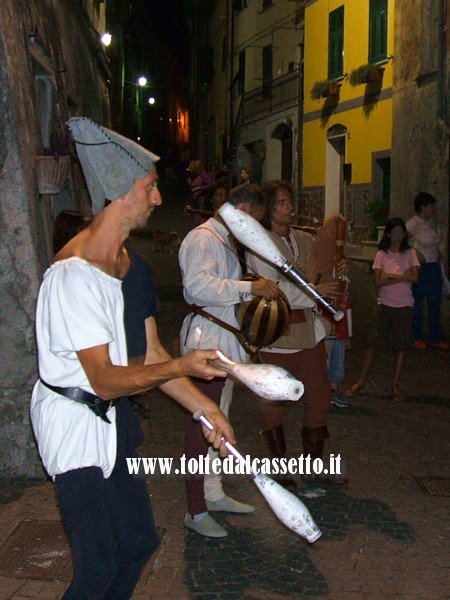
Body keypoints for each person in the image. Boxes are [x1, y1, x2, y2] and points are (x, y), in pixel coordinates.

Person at [30, 117, 235, 599]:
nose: (159, 198)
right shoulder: (72, 277)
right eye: (151, 188)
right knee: (97, 564)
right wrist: (184, 367)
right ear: (123, 192)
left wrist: (207, 409)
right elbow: (102, 379)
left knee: (140, 542)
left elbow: (151, 355)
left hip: (112, 419)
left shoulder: (132, 267)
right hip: (73, 426)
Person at [179, 183, 280, 537]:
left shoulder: (221, 240)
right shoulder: (203, 238)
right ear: (243, 211)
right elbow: (197, 287)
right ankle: (194, 510)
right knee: (200, 426)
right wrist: (249, 288)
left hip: (221, 339)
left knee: (216, 422)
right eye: (253, 220)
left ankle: (212, 493)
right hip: (206, 341)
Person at [246, 180, 348, 486]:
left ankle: (313, 467)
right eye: (281, 203)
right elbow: (273, 289)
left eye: (289, 201)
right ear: (267, 209)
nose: (289, 207)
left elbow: (320, 270)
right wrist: (315, 292)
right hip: (279, 331)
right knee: (273, 401)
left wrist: (337, 270)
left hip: (310, 332)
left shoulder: (304, 238)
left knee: (319, 398)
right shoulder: (258, 244)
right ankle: (278, 466)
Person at [344, 217, 420, 401]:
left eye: (401, 232)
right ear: (388, 234)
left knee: (401, 346)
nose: (397, 236)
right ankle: (361, 381)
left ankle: (395, 385)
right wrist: (403, 276)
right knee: (371, 343)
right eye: (394, 232)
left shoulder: (410, 253)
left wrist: (391, 275)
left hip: (404, 305)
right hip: (384, 303)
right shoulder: (382, 254)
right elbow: (378, 280)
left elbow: (415, 277)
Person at [305, 214, 352, 410]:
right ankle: (319, 394)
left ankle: (333, 392)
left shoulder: (340, 256)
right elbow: (310, 281)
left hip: (338, 312)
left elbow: (345, 287)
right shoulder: (316, 252)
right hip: (323, 313)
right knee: (324, 356)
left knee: (337, 358)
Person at [406, 192, 449, 350]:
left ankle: (435, 335)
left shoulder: (432, 223)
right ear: (423, 207)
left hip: (433, 266)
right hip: (421, 268)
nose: (434, 210)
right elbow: (398, 238)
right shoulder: (413, 223)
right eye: (431, 206)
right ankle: (416, 335)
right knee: (418, 302)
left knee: (435, 302)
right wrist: (414, 252)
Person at [186, 159, 214, 224]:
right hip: (196, 198)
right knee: (196, 213)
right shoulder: (194, 175)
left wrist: (198, 188)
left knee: (200, 213)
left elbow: (209, 185)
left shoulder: (203, 175)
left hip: (202, 198)